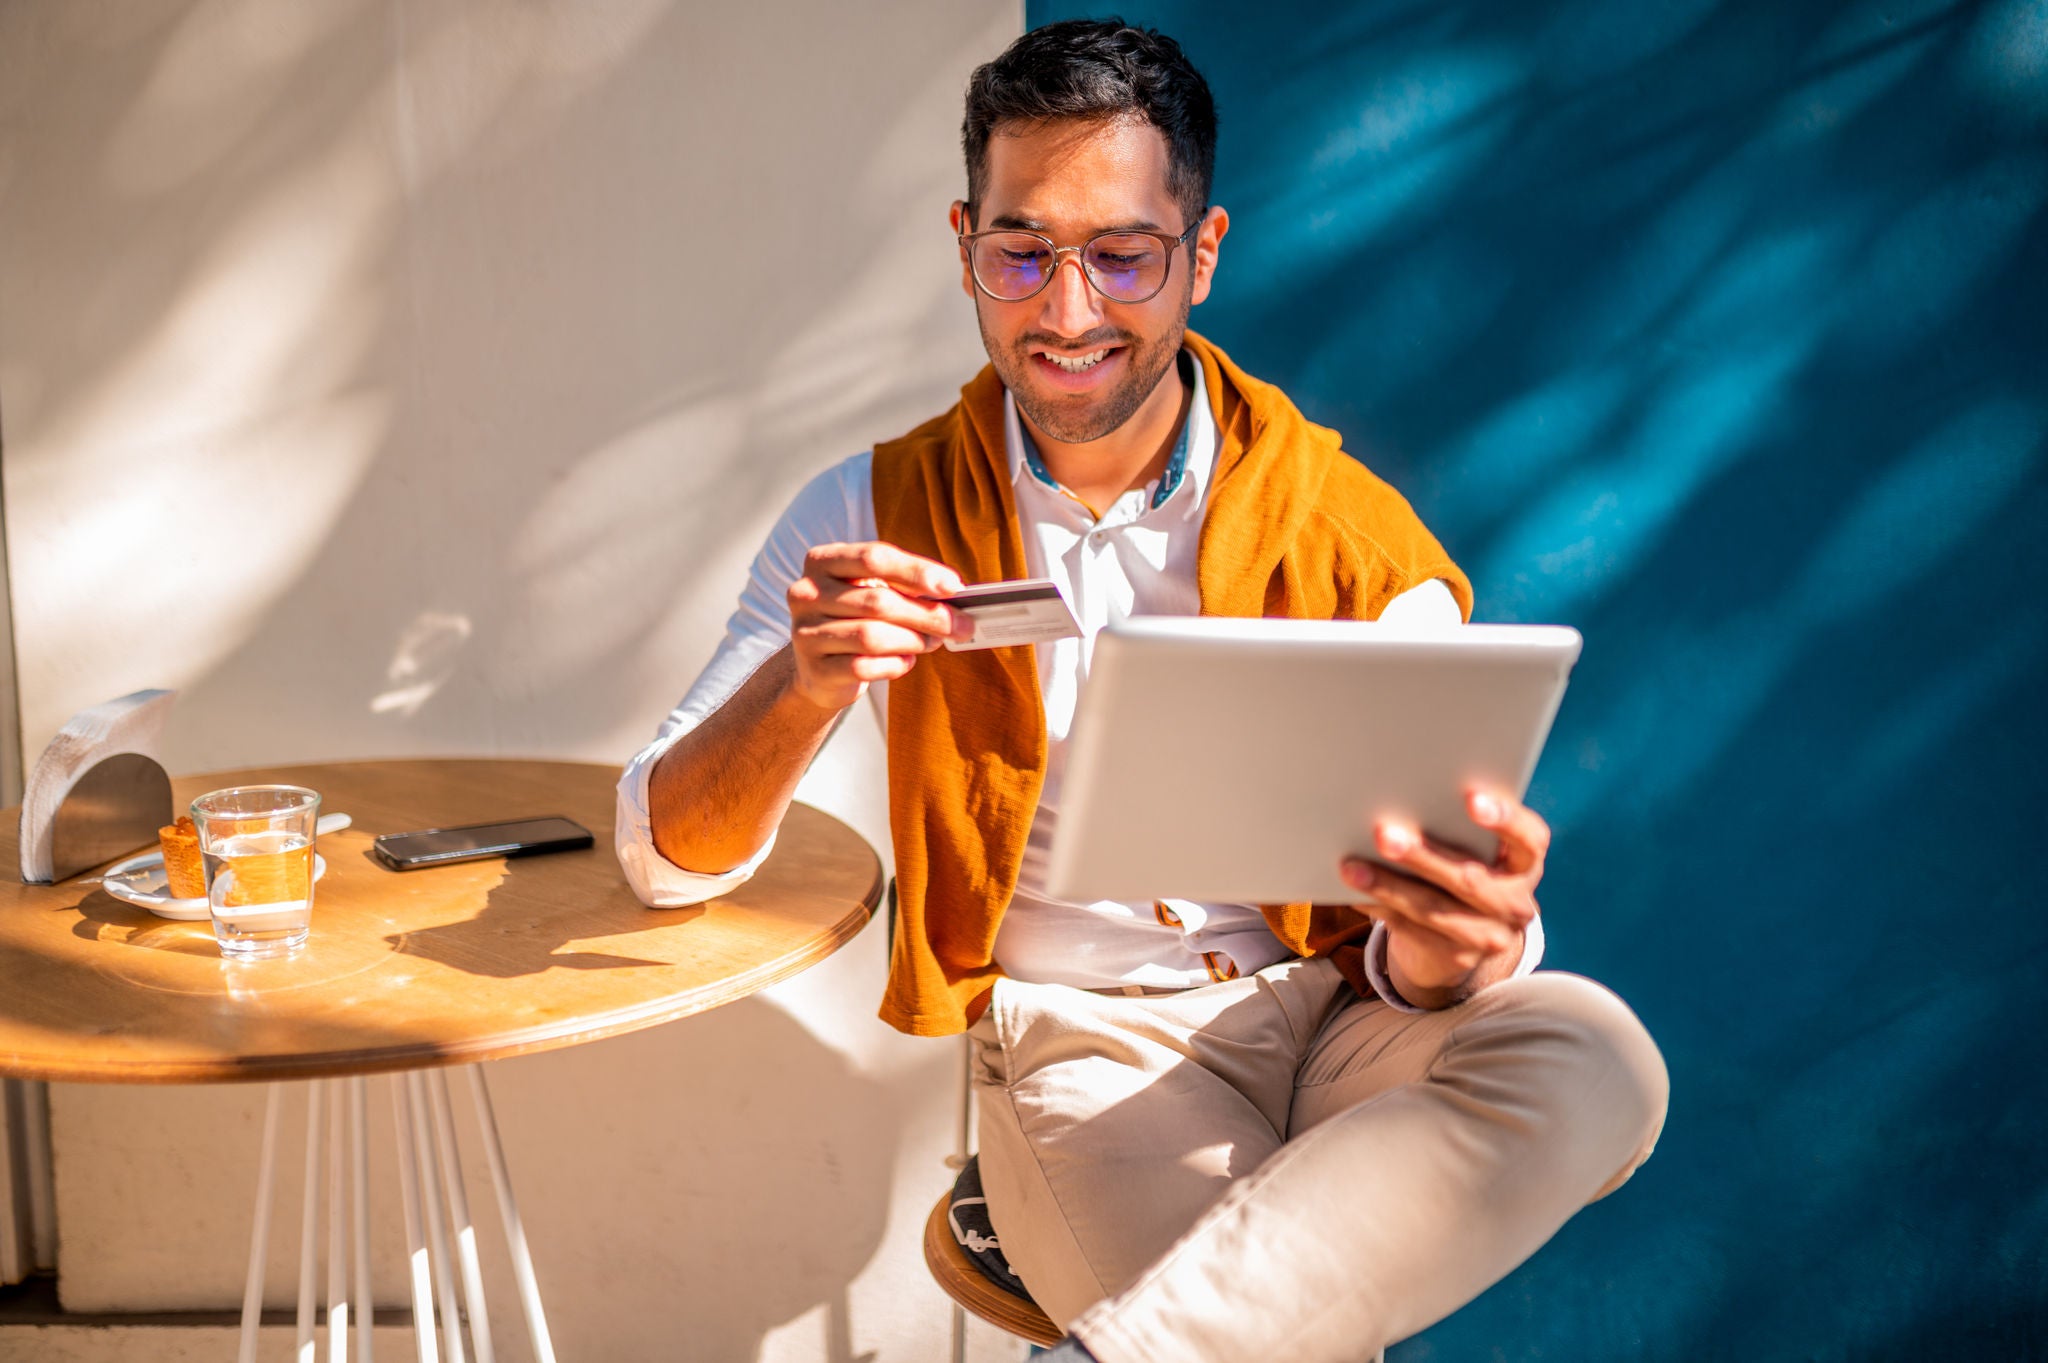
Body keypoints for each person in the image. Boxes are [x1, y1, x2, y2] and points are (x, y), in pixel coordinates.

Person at [617, 19, 1667, 1362]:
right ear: (964, 247)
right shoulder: (872, 514)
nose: (1067, 311)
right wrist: (801, 686)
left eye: (1121, 255)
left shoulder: (1346, 536)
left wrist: (1460, 951)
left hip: (1339, 1020)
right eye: (1022, 252)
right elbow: (664, 860)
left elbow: (1418, 965)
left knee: (1596, 1054)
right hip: (1091, 1047)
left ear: (1202, 256)